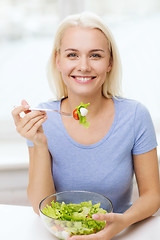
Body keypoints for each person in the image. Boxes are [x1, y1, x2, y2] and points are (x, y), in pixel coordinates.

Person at [12, 12, 160, 240]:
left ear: (110, 62)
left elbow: (152, 196)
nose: (83, 66)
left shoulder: (135, 116)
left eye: (95, 55)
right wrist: (40, 144)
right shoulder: (42, 118)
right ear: (58, 60)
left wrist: (123, 222)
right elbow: (42, 206)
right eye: (72, 55)